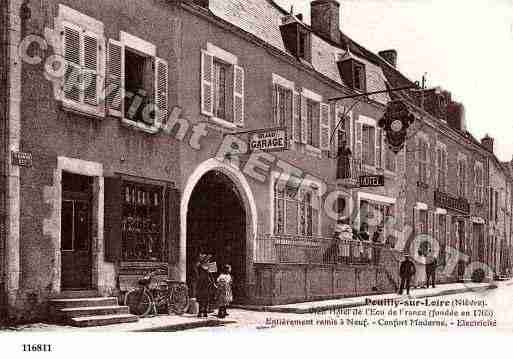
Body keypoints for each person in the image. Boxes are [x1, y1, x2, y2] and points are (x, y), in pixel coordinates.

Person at [195, 253, 214, 318]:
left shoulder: (209, 266)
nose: (208, 260)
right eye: (207, 259)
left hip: (207, 283)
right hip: (201, 283)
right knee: (200, 298)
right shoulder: (199, 265)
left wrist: (213, 283)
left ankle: (205, 311)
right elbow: (196, 272)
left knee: (207, 298)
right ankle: (200, 312)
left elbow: (211, 275)